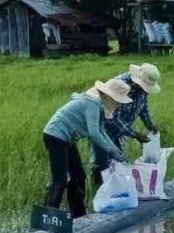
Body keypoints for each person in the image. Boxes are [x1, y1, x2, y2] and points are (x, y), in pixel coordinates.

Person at [43, 78, 132, 216]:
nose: (119, 104)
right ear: (110, 97)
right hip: (56, 136)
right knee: (59, 179)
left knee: (79, 176)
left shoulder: (100, 107)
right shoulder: (93, 104)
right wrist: (111, 151)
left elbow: (102, 131)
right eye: (118, 101)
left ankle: (78, 214)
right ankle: (48, 217)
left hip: (67, 139)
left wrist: (115, 150)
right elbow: (94, 134)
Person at [92, 63, 162, 186]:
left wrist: (150, 124)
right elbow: (112, 117)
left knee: (117, 162)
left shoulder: (143, 89)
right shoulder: (120, 85)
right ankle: (98, 190)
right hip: (104, 128)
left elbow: (143, 106)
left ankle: (113, 188)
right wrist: (135, 134)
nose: (144, 90)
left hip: (121, 131)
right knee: (102, 162)